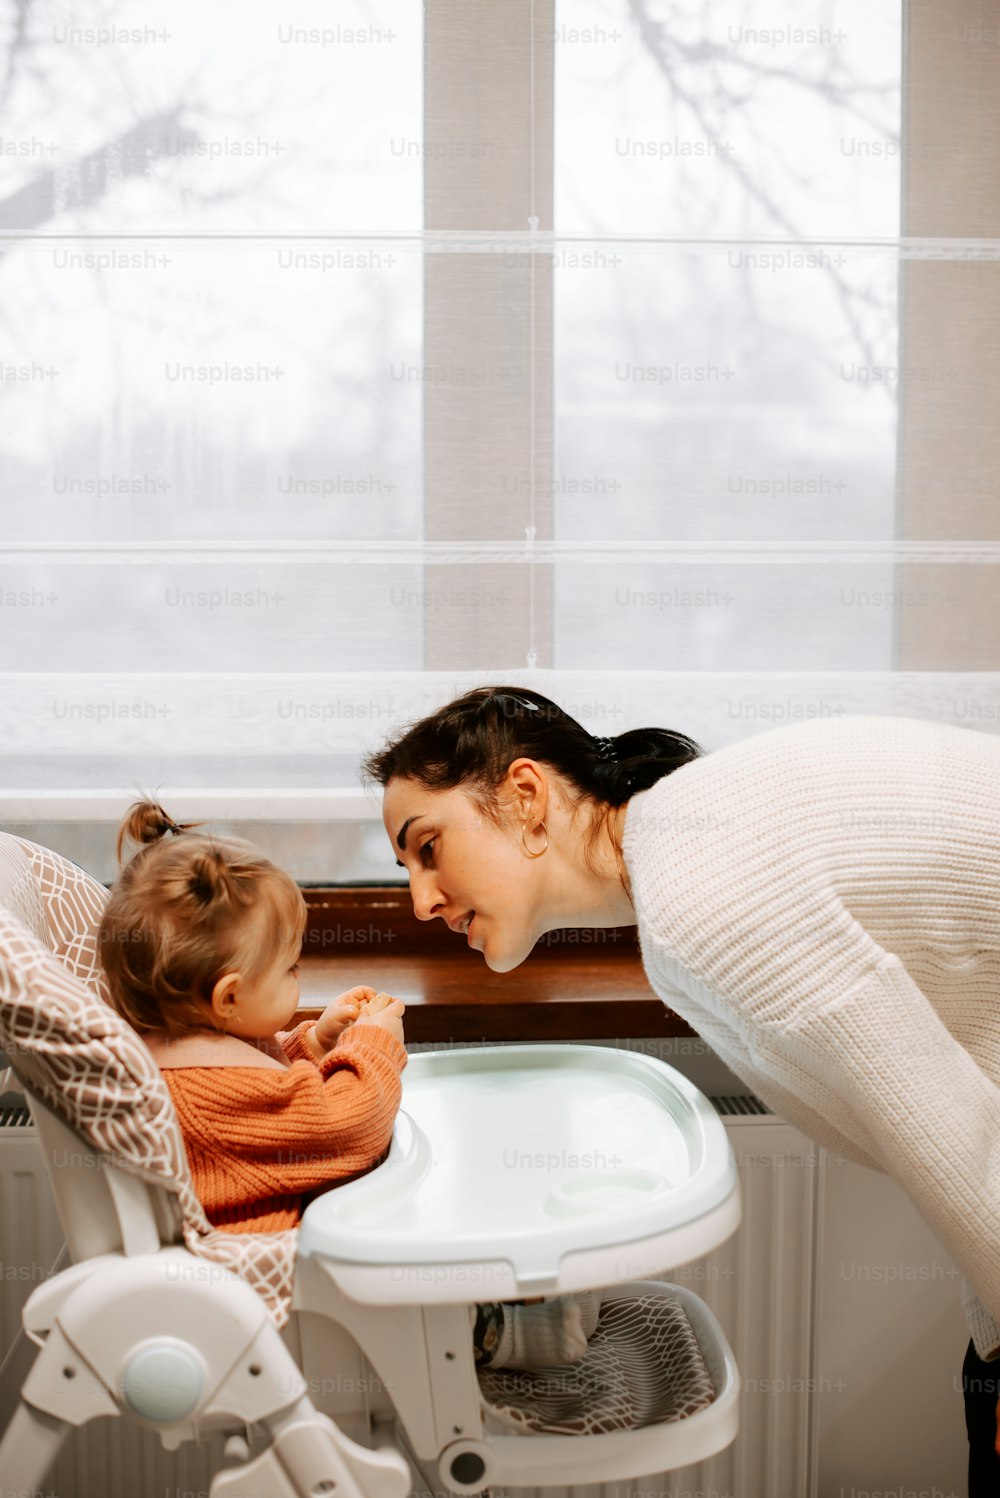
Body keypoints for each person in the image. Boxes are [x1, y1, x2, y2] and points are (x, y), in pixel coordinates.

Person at [363, 685, 1000, 1490]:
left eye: (428, 848)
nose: (421, 902)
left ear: (526, 798)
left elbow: (956, 1136)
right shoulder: (679, 876)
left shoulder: (701, 890)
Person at [97, 799, 598, 1372]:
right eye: (289, 969)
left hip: (318, 1254)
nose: (298, 975)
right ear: (229, 998)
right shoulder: (206, 1096)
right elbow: (349, 1124)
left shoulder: (185, 1054)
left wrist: (312, 1044)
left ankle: (518, 1300)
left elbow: (265, 1093)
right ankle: (496, 1332)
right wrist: (373, 1044)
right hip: (307, 1305)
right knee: (429, 1277)